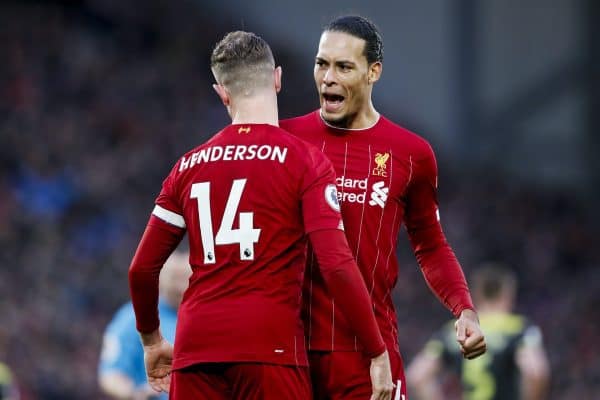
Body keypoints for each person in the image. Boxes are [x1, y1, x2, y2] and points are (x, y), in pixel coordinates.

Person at [128, 30, 394, 400]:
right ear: (277, 79)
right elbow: (336, 264)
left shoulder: (187, 167)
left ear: (222, 93)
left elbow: (141, 269)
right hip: (270, 348)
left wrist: (151, 339)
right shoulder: (305, 161)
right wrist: (376, 350)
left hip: (195, 348)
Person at [280, 15, 486, 400]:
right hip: (288, 351)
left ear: (373, 72)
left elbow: (431, 245)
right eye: (321, 63)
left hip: (368, 354)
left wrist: (464, 308)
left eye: (343, 66)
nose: (327, 77)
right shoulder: (285, 139)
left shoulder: (411, 154)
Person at [407, 263, 550, 400]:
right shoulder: (518, 328)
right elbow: (535, 372)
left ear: (476, 294)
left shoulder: (454, 330)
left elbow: (417, 376)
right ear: (508, 294)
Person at [98, 251, 191, 400]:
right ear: (160, 278)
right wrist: (134, 394)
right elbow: (111, 375)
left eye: (185, 278)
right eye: (175, 278)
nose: (180, 286)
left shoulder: (207, 318)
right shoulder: (135, 317)